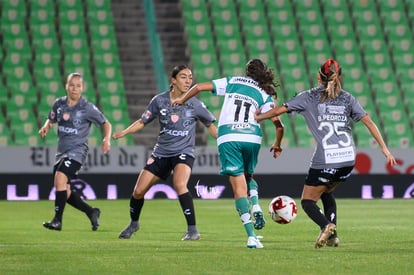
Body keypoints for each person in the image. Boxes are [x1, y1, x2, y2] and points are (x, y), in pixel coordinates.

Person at [254, 58, 397, 248]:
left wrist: (259, 117)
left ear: (319, 77)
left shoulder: (309, 96)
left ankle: (326, 226)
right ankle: (333, 237)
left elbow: (279, 110)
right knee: (327, 192)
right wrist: (384, 148)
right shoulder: (348, 98)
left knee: (307, 201)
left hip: (326, 159)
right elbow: (369, 122)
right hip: (348, 158)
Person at [172, 59, 284, 249]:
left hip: (229, 136)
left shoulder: (233, 81)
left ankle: (251, 237)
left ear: (247, 72)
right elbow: (279, 125)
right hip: (251, 136)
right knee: (249, 177)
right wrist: (277, 144)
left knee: (239, 188)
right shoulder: (264, 93)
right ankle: (255, 205)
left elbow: (199, 87)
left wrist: (182, 99)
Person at [113, 64, 217, 240]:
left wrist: (225, 141)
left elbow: (211, 126)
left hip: (184, 152)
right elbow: (142, 121)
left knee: (179, 184)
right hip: (161, 152)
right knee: (138, 192)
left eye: (190, 77)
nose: (188, 80)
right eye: (183, 77)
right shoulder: (159, 101)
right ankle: (134, 223)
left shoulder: (195, 104)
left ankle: (193, 230)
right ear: (173, 80)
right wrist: (124, 132)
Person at [38, 72, 112, 231]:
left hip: (77, 152)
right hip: (61, 152)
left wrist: (106, 138)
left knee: (60, 177)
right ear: (66, 86)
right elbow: (51, 119)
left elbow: (105, 123)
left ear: (82, 88)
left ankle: (57, 221)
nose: (74, 88)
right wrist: (46, 126)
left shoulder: (87, 108)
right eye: (72, 85)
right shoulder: (59, 104)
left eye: (78, 86)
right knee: (65, 189)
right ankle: (91, 211)